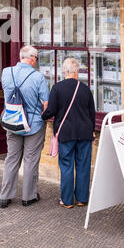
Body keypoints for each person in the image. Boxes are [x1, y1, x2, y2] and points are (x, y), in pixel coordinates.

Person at [0, 45, 49, 208]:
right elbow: (46, 103)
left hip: (12, 121)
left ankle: (5, 196)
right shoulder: (38, 77)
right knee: (30, 160)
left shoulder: (6, 72)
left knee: (11, 158)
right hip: (33, 125)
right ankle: (28, 196)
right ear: (32, 58)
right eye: (36, 59)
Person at [42, 57, 95, 209]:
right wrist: (92, 130)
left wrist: (42, 117)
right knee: (83, 165)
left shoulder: (57, 88)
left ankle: (66, 200)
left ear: (64, 71)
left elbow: (51, 110)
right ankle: (82, 198)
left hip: (66, 133)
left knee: (66, 165)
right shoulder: (85, 89)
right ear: (77, 71)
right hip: (84, 132)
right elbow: (92, 113)